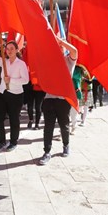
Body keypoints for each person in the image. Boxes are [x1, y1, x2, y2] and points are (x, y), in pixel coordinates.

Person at [39, 37, 78, 165]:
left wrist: (62, 42)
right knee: (48, 127)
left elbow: (75, 51)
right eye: (57, 46)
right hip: (49, 99)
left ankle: (66, 145)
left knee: (64, 125)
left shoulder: (69, 61)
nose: (59, 48)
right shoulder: (49, 61)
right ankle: (47, 152)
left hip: (63, 100)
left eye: (61, 46)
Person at [0, 40, 29, 152]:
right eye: (7, 48)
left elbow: (25, 80)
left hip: (15, 95)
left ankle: (13, 142)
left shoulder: (21, 64)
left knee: (14, 119)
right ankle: (1, 141)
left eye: (12, 48)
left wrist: (11, 80)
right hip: (2, 93)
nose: (9, 51)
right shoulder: (4, 61)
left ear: (17, 50)